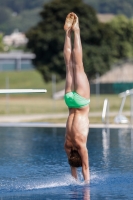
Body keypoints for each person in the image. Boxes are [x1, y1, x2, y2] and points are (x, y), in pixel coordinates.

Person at [63, 12, 90, 183]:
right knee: (69, 65)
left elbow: (85, 168)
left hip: (80, 103)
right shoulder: (67, 146)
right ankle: (67, 33)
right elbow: (73, 168)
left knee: (78, 65)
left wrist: (86, 187)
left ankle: (76, 31)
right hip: (69, 101)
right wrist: (75, 175)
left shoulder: (80, 145)